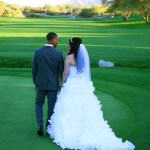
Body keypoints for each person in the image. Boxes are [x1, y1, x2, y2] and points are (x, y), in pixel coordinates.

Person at [47, 37, 135, 150]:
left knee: (71, 108)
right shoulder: (82, 58)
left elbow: (65, 73)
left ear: (72, 46)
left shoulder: (69, 57)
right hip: (82, 86)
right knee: (84, 108)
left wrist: (62, 84)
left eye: (68, 44)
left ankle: (70, 132)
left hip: (72, 85)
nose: (66, 45)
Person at [32, 32, 64, 136]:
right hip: (53, 86)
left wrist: (36, 82)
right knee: (51, 107)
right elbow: (61, 72)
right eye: (57, 40)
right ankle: (48, 127)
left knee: (38, 104)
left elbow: (34, 70)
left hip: (40, 84)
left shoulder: (37, 52)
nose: (57, 42)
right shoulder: (58, 54)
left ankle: (40, 126)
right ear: (52, 40)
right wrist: (61, 84)